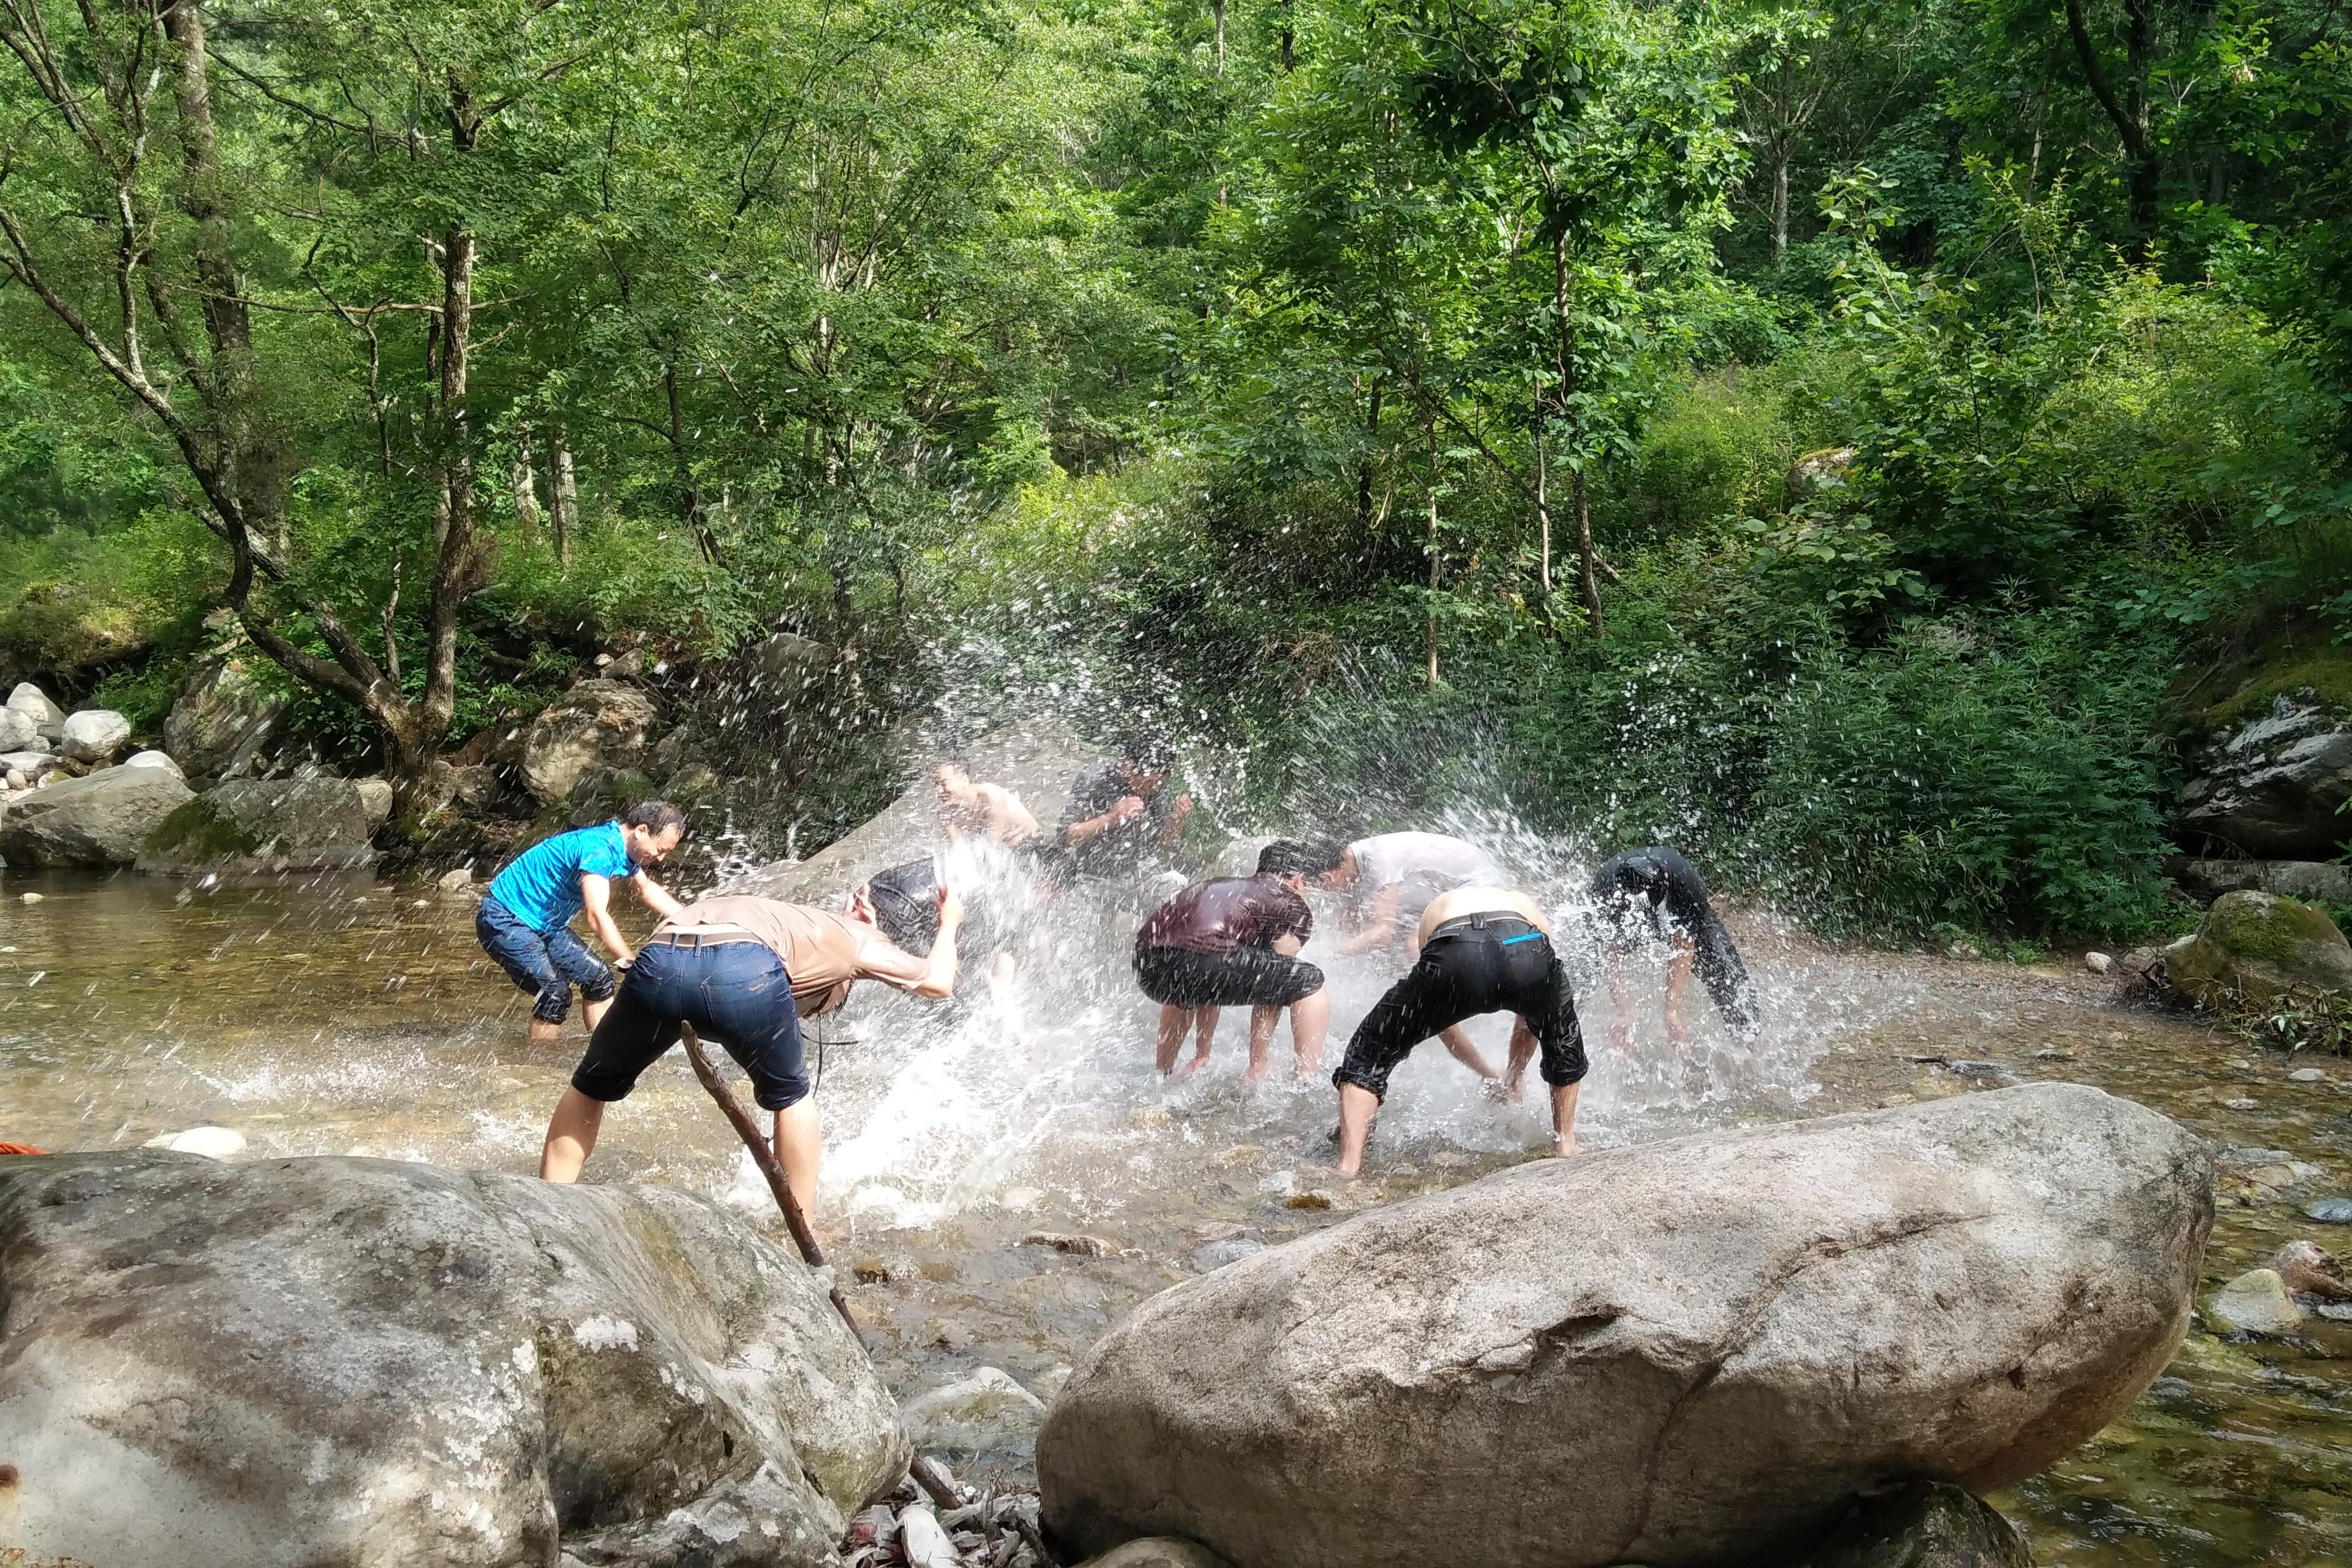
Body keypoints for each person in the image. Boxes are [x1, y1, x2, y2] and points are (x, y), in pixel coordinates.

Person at [538, 886, 967, 1224]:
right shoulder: (859, 937)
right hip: (744, 970)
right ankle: (804, 1233)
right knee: (793, 1098)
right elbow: (939, 982)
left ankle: (548, 1209)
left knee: (589, 1086)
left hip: (659, 958)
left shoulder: (790, 918)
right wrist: (949, 923)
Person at [1330, 883, 1587, 1177]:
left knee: (1369, 1052)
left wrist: (1484, 1072)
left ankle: (1348, 1165)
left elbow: (1440, 1022)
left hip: (1457, 947)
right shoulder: (1520, 902)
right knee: (1562, 1038)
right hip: (1525, 945)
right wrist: (1512, 1078)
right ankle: (1565, 1143)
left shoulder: (1437, 908)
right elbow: (1531, 1018)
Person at [477, 801, 690, 1047]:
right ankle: (536, 1066)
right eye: (660, 850)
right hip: (504, 919)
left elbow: (647, 890)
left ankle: (603, 1054)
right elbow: (596, 916)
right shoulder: (600, 848)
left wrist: (693, 919)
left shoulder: (624, 849)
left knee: (599, 980)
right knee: (554, 994)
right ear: (641, 830)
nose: (661, 858)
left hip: (545, 926)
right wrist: (632, 964)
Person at [1133, 841, 1331, 1082]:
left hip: (1148, 965)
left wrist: (1202, 1052)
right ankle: (1306, 1080)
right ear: (1299, 880)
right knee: (1309, 980)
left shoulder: (1227, 887)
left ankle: (1161, 1075)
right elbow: (1273, 988)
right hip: (1206, 960)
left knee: (1183, 985)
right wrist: (1257, 1062)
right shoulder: (1291, 902)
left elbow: (1199, 977)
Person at [1589, 846, 1759, 1050]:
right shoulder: (1607, 886)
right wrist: (1624, 1011)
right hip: (1630, 919)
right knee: (1577, 968)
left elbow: (1684, 946)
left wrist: (1671, 1010)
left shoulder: (1686, 881)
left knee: (1730, 977)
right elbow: (1610, 952)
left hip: (1680, 905)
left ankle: (1751, 1045)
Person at [855, 841, 1076, 986]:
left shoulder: (999, 863)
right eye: (1056, 897)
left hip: (880, 889)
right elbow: (1003, 964)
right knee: (937, 988)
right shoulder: (1014, 895)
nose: (1052, 905)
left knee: (941, 979)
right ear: (1047, 885)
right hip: (903, 906)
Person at [1312, 831, 1501, 957]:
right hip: (1450, 891)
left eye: (1328, 885)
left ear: (1329, 875)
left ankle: (1449, 1010)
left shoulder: (1378, 858)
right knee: (1395, 956)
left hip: (1479, 884)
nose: (1332, 891)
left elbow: (1382, 933)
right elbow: (1349, 925)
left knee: (1415, 946)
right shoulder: (1356, 866)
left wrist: (1325, 954)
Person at [1058, 730, 1193, 878]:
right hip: (1094, 878)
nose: (1155, 788)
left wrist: (1177, 820)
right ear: (1128, 767)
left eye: (1160, 782)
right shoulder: (1095, 779)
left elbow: (1166, 844)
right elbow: (1066, 836)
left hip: (1142, 874)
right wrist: (1111, 819)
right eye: (1150, 782)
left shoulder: (1157, 787)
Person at [935, 763, 1040, 846]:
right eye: (936, 785)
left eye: (944, 783)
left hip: (1033, 843)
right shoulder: (946, 813)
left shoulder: (990, 798)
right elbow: (956, 852)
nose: (939, 791)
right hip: (1006, 852)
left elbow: (993, 851)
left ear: (964, 780)